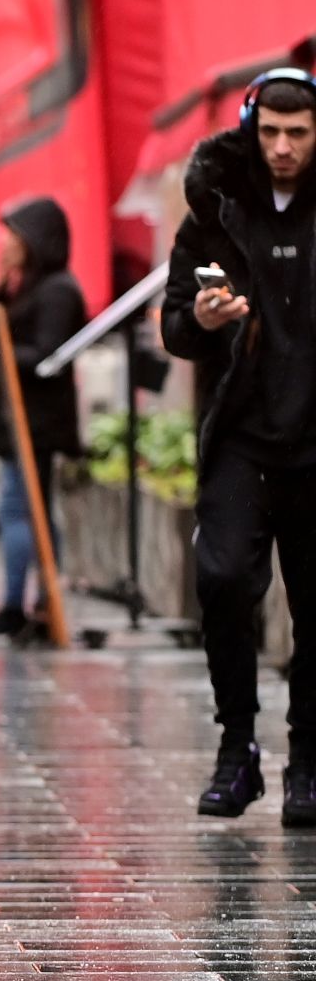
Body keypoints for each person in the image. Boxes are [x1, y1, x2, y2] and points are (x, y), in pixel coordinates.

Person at [163, 68, 316, 826]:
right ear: (253, 129)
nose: (283, 148)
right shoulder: (215, 208)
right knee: (221, 580)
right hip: (241, 437)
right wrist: (205, 319)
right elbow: (172, 327)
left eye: (298, 134)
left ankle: (308, 763)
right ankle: (238, 751)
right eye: (271, 133)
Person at [0, 198, 84, 643]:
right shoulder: (28, 288)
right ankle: (38, 605)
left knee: (20, 509)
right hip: (17, 421)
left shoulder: (58, 290)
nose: (7, 246)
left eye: (15, 237)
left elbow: (44, 356)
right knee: (28, 510)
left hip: (36, 423)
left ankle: (20, 605)